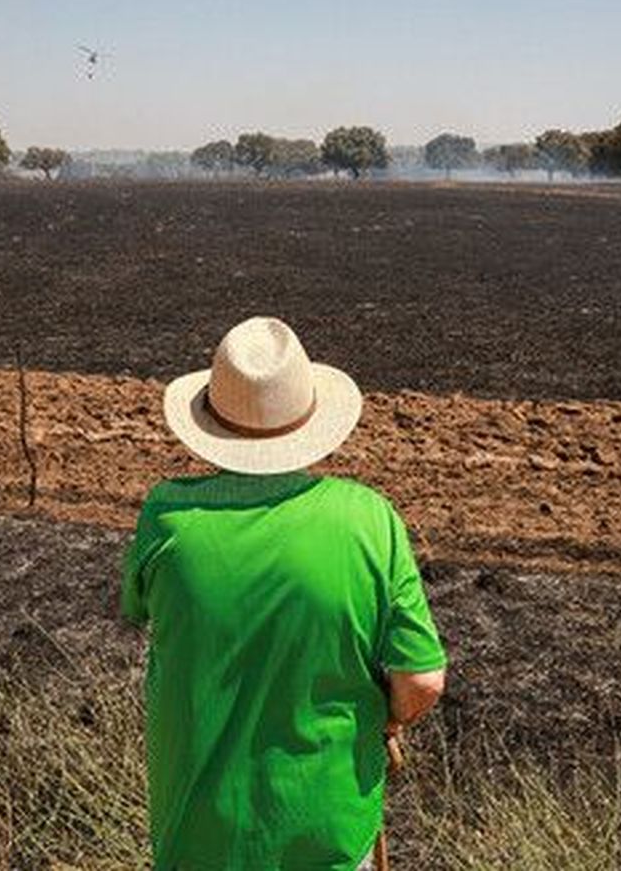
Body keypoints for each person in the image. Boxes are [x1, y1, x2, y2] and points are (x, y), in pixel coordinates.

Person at [122, 316, 447, 870]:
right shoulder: (369, 520)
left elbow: (139, 611)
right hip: (329, 838)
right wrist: (390, 721)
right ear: (311, 417)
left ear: (210, 418)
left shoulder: (167, 517)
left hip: (197, 839)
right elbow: (421, 680)